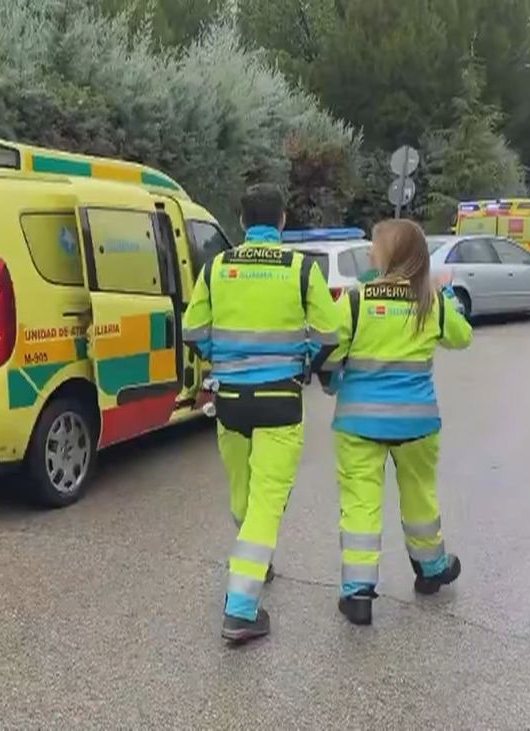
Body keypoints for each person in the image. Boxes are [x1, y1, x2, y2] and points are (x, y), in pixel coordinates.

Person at [182, 184, 342, 643]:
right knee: (267, 502)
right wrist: (305, 364)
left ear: (241, 221)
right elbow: (329, 336)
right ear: (283, 220)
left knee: (243, 494)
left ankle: (257, 558)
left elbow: (192, 330)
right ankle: (241, 609)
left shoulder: (217, 267)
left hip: (229, 401)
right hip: (279, 400)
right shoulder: (301, 269)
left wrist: (222, 359)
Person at [322, 219, 472, 626]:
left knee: (360, 505)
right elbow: (462, 337)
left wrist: (332, 382)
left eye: (375, 245)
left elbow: (328, 349)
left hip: (358, 423)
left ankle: (358, 594)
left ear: (390, 254)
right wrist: (448, 295)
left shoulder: (356, 300)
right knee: (420, 497)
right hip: (417, 423)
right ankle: (432, 569)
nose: (371, 252)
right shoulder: (431, 301)